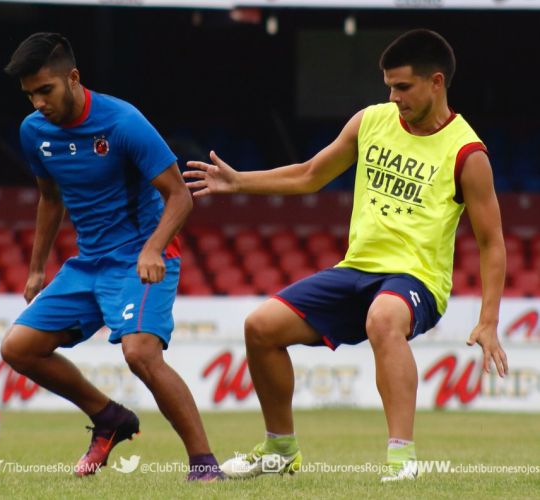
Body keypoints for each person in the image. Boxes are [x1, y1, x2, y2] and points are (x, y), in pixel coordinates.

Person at [184, 29, 508, 482]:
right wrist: (239, 182)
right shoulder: (370, 121)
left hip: (416, 282)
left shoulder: (468, 153)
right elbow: (311, 174)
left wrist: (489, 319)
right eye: (389, 86)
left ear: (436, 82)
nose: (392, 96)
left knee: (383, 318)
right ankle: (280, 449)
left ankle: (401, 460)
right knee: (260, 327)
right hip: (354, 271)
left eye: (403, 87)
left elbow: (493, 242)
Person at [0, 32, 223, 481]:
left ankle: (204, 463)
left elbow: (179, 196)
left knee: (140, 353)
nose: (38, 103)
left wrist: (153, 248)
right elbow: (49, 198)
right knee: (17, 349)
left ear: (73, 78)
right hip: (89, 261)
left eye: (45, 90)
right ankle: (109, 417)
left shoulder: (123, 123)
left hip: (139, 255)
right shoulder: (33, 133)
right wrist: (37, 268)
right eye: (29, 95)